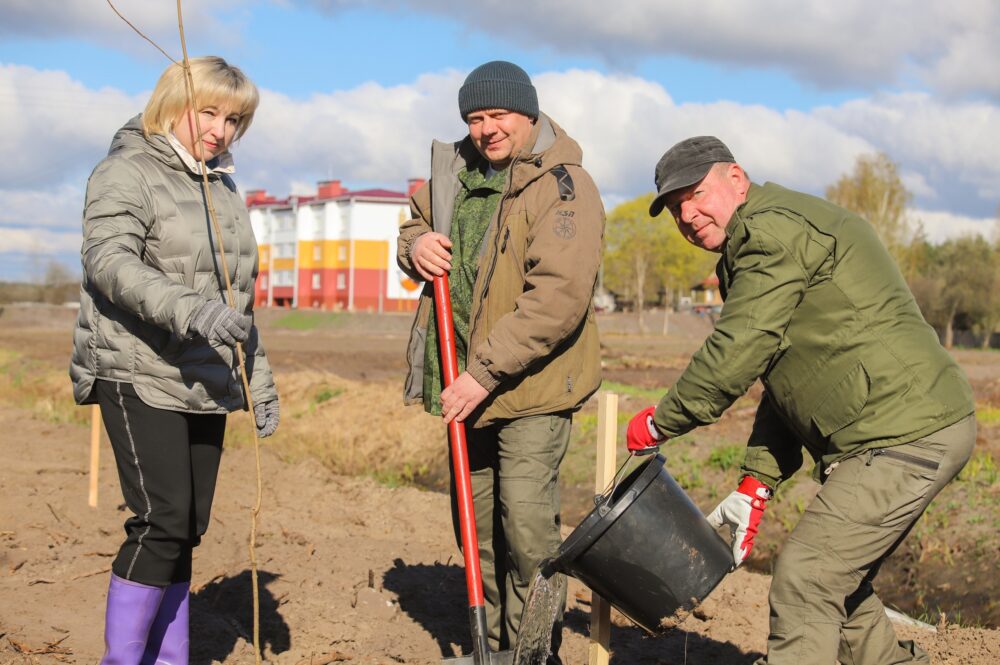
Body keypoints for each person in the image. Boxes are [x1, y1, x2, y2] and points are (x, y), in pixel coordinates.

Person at [625, 136, 975, 665]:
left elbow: (737, 350)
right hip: (885, 431)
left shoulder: (771, 233)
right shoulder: (749, 247)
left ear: (736, 179)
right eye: (676, 209)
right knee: (837, 582)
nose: (689, 215)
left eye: (696, 195)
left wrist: (661, 422)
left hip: (907, 430)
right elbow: (784, 374)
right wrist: (756, 481)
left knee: (807, 577)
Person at [69, 56, 280, 665]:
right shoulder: (124, 172)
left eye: (234, 119)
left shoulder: (222, 188)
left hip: (206, 378)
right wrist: (190, 310)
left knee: (188, 526)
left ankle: (169, 658)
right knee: (161, 520)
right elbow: (107, 262)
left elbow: (236, 298)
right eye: (208, 111)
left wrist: (257, 380)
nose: (219, 129)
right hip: (135, 368)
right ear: (170, 102)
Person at [397, 60, 604, 658]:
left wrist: (482, 374)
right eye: (475, 117)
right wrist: (416, 247)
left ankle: (533, 651)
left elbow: (556, 302)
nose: (486, 129)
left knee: (527, 528)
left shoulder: (564, 187)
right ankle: (487, 647)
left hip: (528, 388)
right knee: (476, 526)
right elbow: (413, 225)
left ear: (529, 114)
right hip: (465, 382)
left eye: (498, 115)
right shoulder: (454, 175)